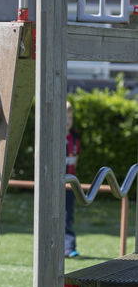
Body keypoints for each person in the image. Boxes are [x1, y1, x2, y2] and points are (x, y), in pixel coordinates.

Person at [65, 101, 80, 258]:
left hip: (69, 185)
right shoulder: (51, 137)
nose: (68, 120)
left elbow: (75, 160)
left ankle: (69, 248)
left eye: (70, 117)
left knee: (68, 216)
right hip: (53, 185)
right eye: (65, 117)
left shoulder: (75, 137)